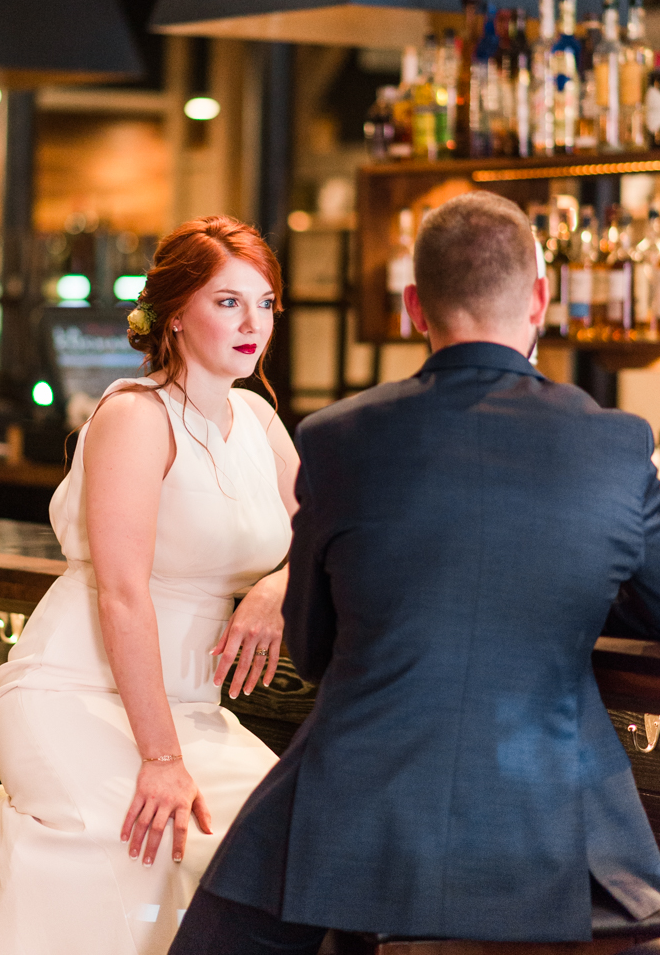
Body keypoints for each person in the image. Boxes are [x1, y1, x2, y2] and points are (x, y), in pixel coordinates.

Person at [170, 191, 660, 955]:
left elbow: (314, 640)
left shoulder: (337, 438)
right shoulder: (618, 446)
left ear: (412, 307)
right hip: (550, 819)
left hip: (357, 801)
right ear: (539, 299)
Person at [0, 216, 299, 955]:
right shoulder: (134, 414)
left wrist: (276, 589)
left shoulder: (257, 419)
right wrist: (159, 759)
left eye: (265, 303)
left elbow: (324, 535)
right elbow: (121, 594)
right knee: (120, 845)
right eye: (228, 303)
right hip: (71, 695)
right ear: (177, 314)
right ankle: (24, 841)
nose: (253, 324)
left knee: (280, 843)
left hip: (191, 708)